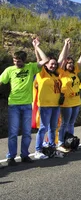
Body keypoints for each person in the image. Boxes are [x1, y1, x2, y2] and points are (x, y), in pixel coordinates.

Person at [0, 38, 48, 166]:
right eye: (15, 60)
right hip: (13, 106)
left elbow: (45, 61)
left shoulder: (31, 67)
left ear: (24, 60)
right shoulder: (9, 70)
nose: (16, 63)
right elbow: (1, 81)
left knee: (26, 133)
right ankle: (11, 157)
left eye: (19, 61)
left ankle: (25, 155)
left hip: (27, 105)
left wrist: (37, 47)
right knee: (13, 133)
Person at [33, 50, 62, 160]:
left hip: (56, 105)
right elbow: (40, 60)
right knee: (43, 128)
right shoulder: (42, 73)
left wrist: (66, 45)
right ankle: (38, 150)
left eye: (55, 64)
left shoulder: (55, 75)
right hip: (45, 105)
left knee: (53, 128)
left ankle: (52, 149)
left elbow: (62, 59)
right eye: (51, 64)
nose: (53, 66)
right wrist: (37, 47)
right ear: (46, 64)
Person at [56, 39, 81, 153]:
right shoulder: (62, 72)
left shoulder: (74, 72)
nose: (71, 65)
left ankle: (69, 141)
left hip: (76, 101)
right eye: (69, 63)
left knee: (71, 123)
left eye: (72, 63)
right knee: (65, 123)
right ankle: (61, 142)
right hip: (66, 101)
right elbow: (62, 59)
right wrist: (66, 45)